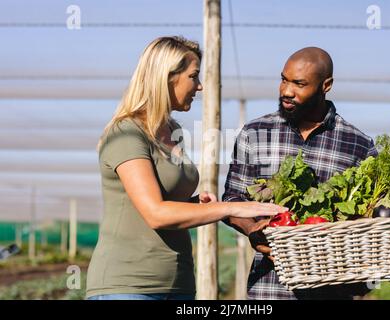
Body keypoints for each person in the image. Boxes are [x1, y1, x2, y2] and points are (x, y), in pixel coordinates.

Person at [85, 36, 286, 300]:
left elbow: (165, 202)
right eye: (194, 76)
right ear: (168, 77)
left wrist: (196, 204)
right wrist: (232, 207)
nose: (200, 86)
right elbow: (156, 213)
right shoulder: (126, 134)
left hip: (178, 284)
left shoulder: (173, 130)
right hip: (128, 286)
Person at [222, 47, 378, 300]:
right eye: (284, 79)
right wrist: (253, 231)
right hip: (268, 288)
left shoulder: (358, 143)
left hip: (331, 289)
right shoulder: (255, 133)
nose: (286, 91)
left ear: (325, 85)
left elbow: (370, 216)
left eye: (299, 84)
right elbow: (232, 200)